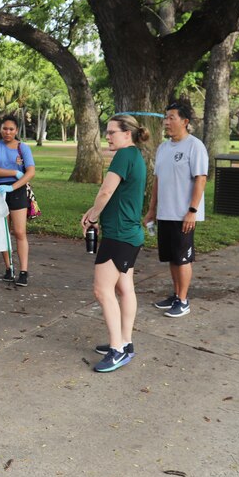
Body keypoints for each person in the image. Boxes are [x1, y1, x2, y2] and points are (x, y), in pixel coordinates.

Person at [81, 115, 149, 373]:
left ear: (127, 134)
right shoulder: (135, 157)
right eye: (106, 131)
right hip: (129, 234)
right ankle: (125, 342)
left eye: (112, 132)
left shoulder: (123, 156)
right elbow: (116, 197)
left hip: (120, 236)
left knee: (101, 290)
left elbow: (106, 191)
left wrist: (92, 217)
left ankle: (117, 350)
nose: (107, 136)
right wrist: (94, 212)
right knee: (125, 288)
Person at [144, 102, 209, 318]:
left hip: (184, 214)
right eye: (165, 118)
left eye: (171, 118)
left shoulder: (194, 146)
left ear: (185, 121)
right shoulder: (163, 148)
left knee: (183, 258)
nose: (166, 122)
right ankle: (176, 294)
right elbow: (157, 181)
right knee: (172, 257)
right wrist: (152, 210)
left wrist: (192, 210)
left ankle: (183, 300)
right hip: (165, 212)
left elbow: (201, 179)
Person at [0, 115, 36, 287]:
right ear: (0, 129)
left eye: (11, 129)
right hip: (0, 191)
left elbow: (30, 172)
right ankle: (9, 268)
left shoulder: (23, 148)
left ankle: (23, 271)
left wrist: (14, 185)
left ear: (16, 130)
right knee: (3, 231)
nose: (7, 132)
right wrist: (13, 172)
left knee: (20, 232)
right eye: (4, 128)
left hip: (17, 191)